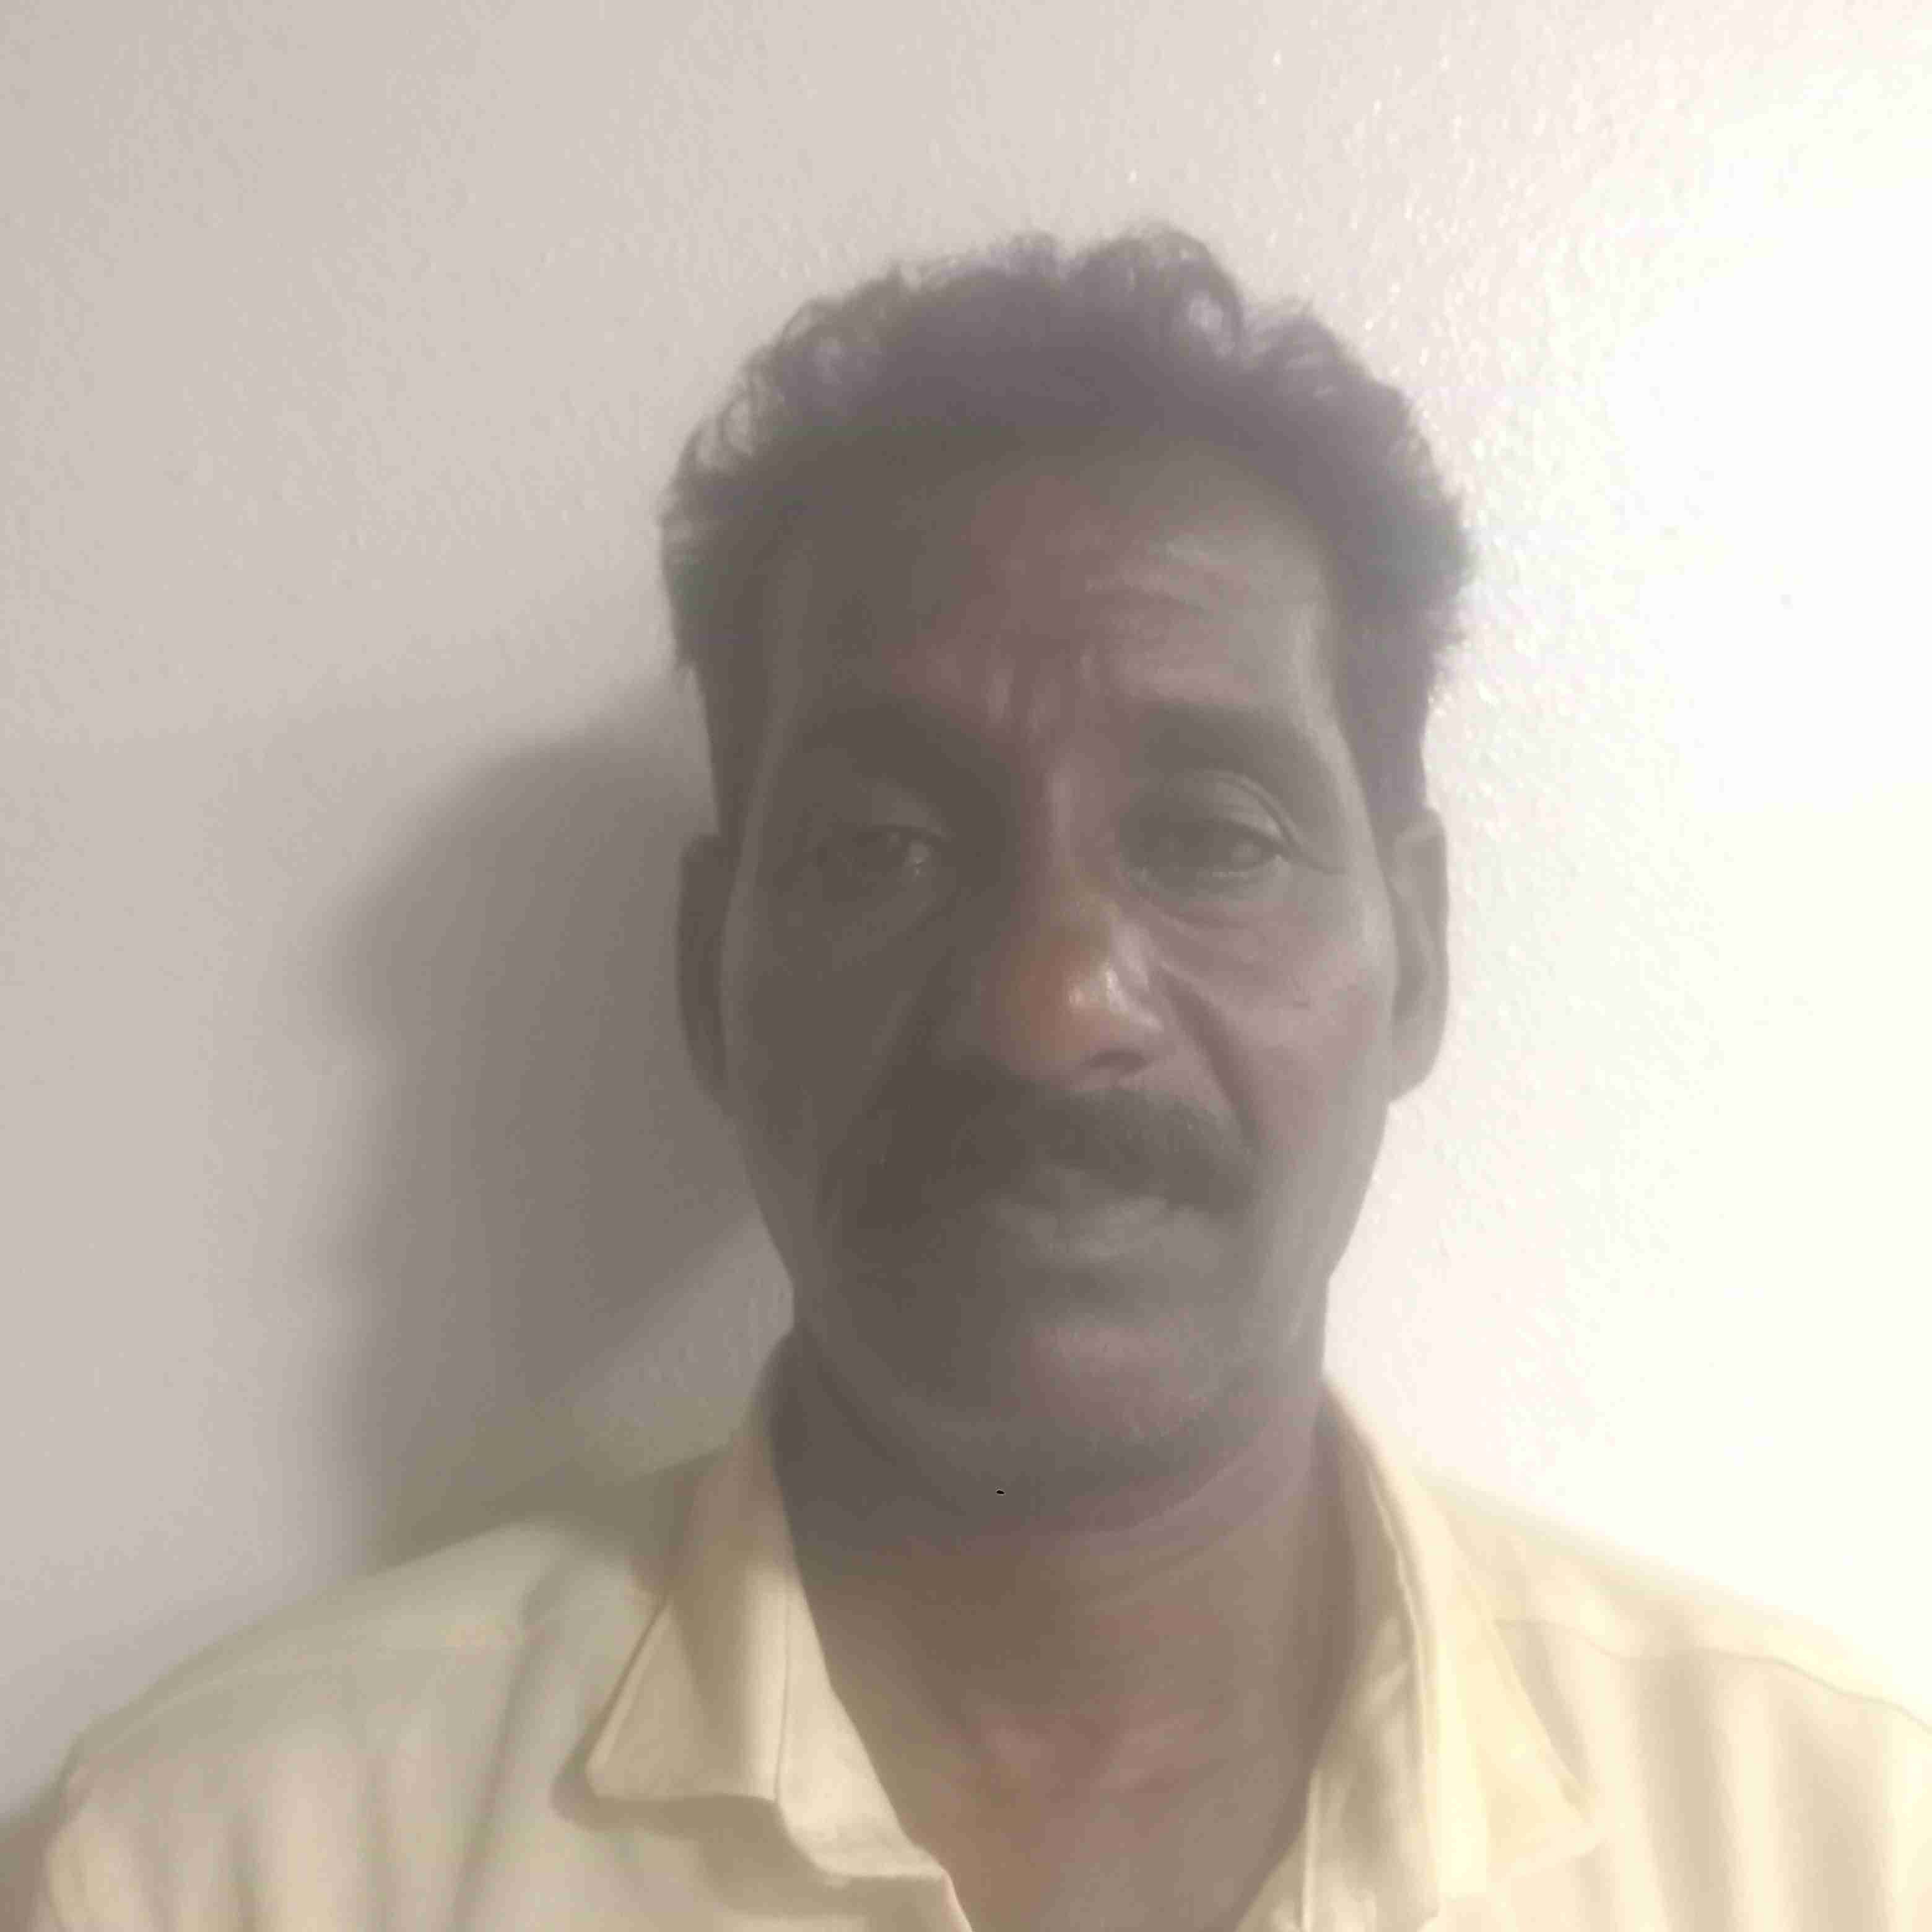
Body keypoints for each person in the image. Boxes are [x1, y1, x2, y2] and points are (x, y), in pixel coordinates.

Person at [31, 229, 1928, 1932]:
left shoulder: (1844, 1853)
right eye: (881, 848)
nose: (1050, 1003)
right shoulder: (219, 1873)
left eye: (1213, 836)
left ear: (1415, 958)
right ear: (710, 979)